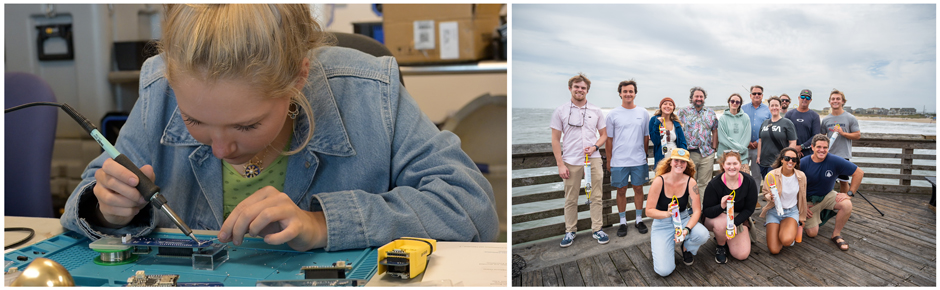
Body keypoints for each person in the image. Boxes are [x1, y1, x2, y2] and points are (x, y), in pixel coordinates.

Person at [60, 4, 498, 252]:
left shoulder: (371, 91)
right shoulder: (159, 89)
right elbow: (80, 206)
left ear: (298, 76)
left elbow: (471, 208)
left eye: (247, 124)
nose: (219, 149)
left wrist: (323, 224)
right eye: (194, 120)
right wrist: (107, 209)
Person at [551, 73, 608, 247]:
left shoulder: (596, 111)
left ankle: (597, 229)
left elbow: (604, 135)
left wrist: (595, 147)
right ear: (570, 88)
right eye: (576, 87)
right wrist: (560, 164)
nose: (579, 90)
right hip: (570, 160)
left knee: (596, 196)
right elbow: (555, 139)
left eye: (583, 88)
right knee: (571, 198)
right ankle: (570, 231)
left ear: (587, 91)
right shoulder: (560, 111)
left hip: (593, 159)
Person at [645, 148, 708, 276]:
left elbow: (697, 211)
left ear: (687, 164)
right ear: (670, 162)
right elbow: (649, 211)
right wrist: (667, 214)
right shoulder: (659, 181)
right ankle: (664, 250)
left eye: (683, 161)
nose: (679, 164)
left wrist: (686, 230)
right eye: (676, 161)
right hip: (662, 223)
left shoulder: (691, 182)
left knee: (703, 234)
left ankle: (686, 247)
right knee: (664, 271)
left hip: (683, 218)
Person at [800, 134, 864, 251]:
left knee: (846, 204)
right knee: (812, 233)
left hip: (827, 196)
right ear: (812, 147)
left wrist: (849, 193)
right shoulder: (803, 163)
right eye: (819, 147)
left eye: (825, 147)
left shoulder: (834, 160)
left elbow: (859, 173)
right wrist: (801, 205)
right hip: (808, 200)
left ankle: (836, 234)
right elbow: (792, 186)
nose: (822, 150)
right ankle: (817, 215)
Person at [606, 80, 651, 237]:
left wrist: (644, 155)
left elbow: (646, 136)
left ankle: (639, 219)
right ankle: (623, 222)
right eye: (625, 91)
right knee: (621, 190)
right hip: (619, 161)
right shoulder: (612, 114)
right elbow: (609, 139)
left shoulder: (643, 113)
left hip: (638, 160)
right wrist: (609, 160)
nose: (628, 94)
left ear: (635, 93)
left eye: (631, 91)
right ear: (620, 93)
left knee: (638, 189)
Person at [702, 151, 758, 264]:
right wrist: (721, 206)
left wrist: (735, 223)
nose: (732, 167)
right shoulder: (714, 184)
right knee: (723, 222)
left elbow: (749, 209)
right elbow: (707, 211)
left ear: (740, 164)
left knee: (742, 254)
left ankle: (728, 236)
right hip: (716, 217)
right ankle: (721, 246)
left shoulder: (749, 182)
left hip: (738, 217)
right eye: (728, 164)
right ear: (723, 165)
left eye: (735, 163)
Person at [760, 148, 808, 255]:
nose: (790, 161)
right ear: (781, 159)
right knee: (774, 250)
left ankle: (787, 231)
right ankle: (783, 230)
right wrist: (770, 197)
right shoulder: (771, 174)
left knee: (786, 241)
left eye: (794, 159)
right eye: (787, 158)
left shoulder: (801, 176)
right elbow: (765, 192)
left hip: (791, 212)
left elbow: (802, 198)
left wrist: (801, 218)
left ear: (796, 162)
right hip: (774, 211)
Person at [677, 87, 718, 197]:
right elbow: (677, 130)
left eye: (701, 96)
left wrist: (714, 148)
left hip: (707, 154)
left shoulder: (711, 113)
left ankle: (703, 209)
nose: (699, 98)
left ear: (704, 98)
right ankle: (692, 209)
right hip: (690, 154)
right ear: (691, 98)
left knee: (705, 183)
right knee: (690, 181)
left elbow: (715, 130)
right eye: (696, 96)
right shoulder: (682, 112)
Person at [820, 89, 861, 193]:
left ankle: (844, 202)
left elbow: (857, 135)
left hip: (843, 155)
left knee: (844, 181)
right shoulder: (825, 120)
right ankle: (828, 205)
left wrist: (843, 133)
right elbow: (822, 137)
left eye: (838, 99)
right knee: (827, 181)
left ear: (843, 101)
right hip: (828, 155)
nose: (835, 101)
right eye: (833, 99)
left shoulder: (850, 118)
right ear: (829, 101)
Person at [756, 96, 798, 177]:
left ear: (780, 107)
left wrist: (787, 159)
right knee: (767, 186)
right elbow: (760, 141)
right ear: (769, 108)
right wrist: (758, 156)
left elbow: (793, 142)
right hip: (764, 162)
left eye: (776, 105)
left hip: (778, 163)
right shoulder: (765, 123)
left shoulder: (787, 123)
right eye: (772, 105)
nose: (774, 108)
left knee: (776, 187)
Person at [649, 97, 687, 180]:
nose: (668, 106)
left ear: (673, 108)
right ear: (661, 106)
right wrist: (657, 124)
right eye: (665, 104)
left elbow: (682, 142)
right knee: (661, 181)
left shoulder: (676, 123)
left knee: (675, 182)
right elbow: (655, 140)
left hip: (675, 157)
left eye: (670, 105)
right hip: (661, 157)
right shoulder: (654, 120)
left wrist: (683, 158)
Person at [742, 85, 771, 186]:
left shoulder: (768, 110)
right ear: (750, 95)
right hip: (744, 147)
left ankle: (754, 199)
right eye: (754, 93)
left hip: (759, 148)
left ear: (762, 95)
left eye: (759, 93)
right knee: (742, 174)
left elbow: (770, 128)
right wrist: (747, 141)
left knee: (756, 175)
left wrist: (757, 142)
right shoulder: (742, 108)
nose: (757, 95)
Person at [785, 89, 820, 158]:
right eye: (803, 97)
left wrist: (801, 147)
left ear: (810, 100)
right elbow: (784, 133)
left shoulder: (815, 116)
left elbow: (815, 136)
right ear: (799, 98)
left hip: (807, 154)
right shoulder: (789, 114)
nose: (805, 99)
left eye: (807, 98)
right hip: (790, 153)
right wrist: (793, 147)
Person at [717, 93, 751, 164]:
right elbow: (723, 138)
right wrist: (739, 149)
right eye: (732, 101)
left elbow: (746, 137)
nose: (734, 103)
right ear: (729, 102)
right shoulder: (722, 119)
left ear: (740, 104)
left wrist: (739, 151)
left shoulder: (745, 117)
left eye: (737, 102)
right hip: (725, 157)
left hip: (742, 157)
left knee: (744, 175)